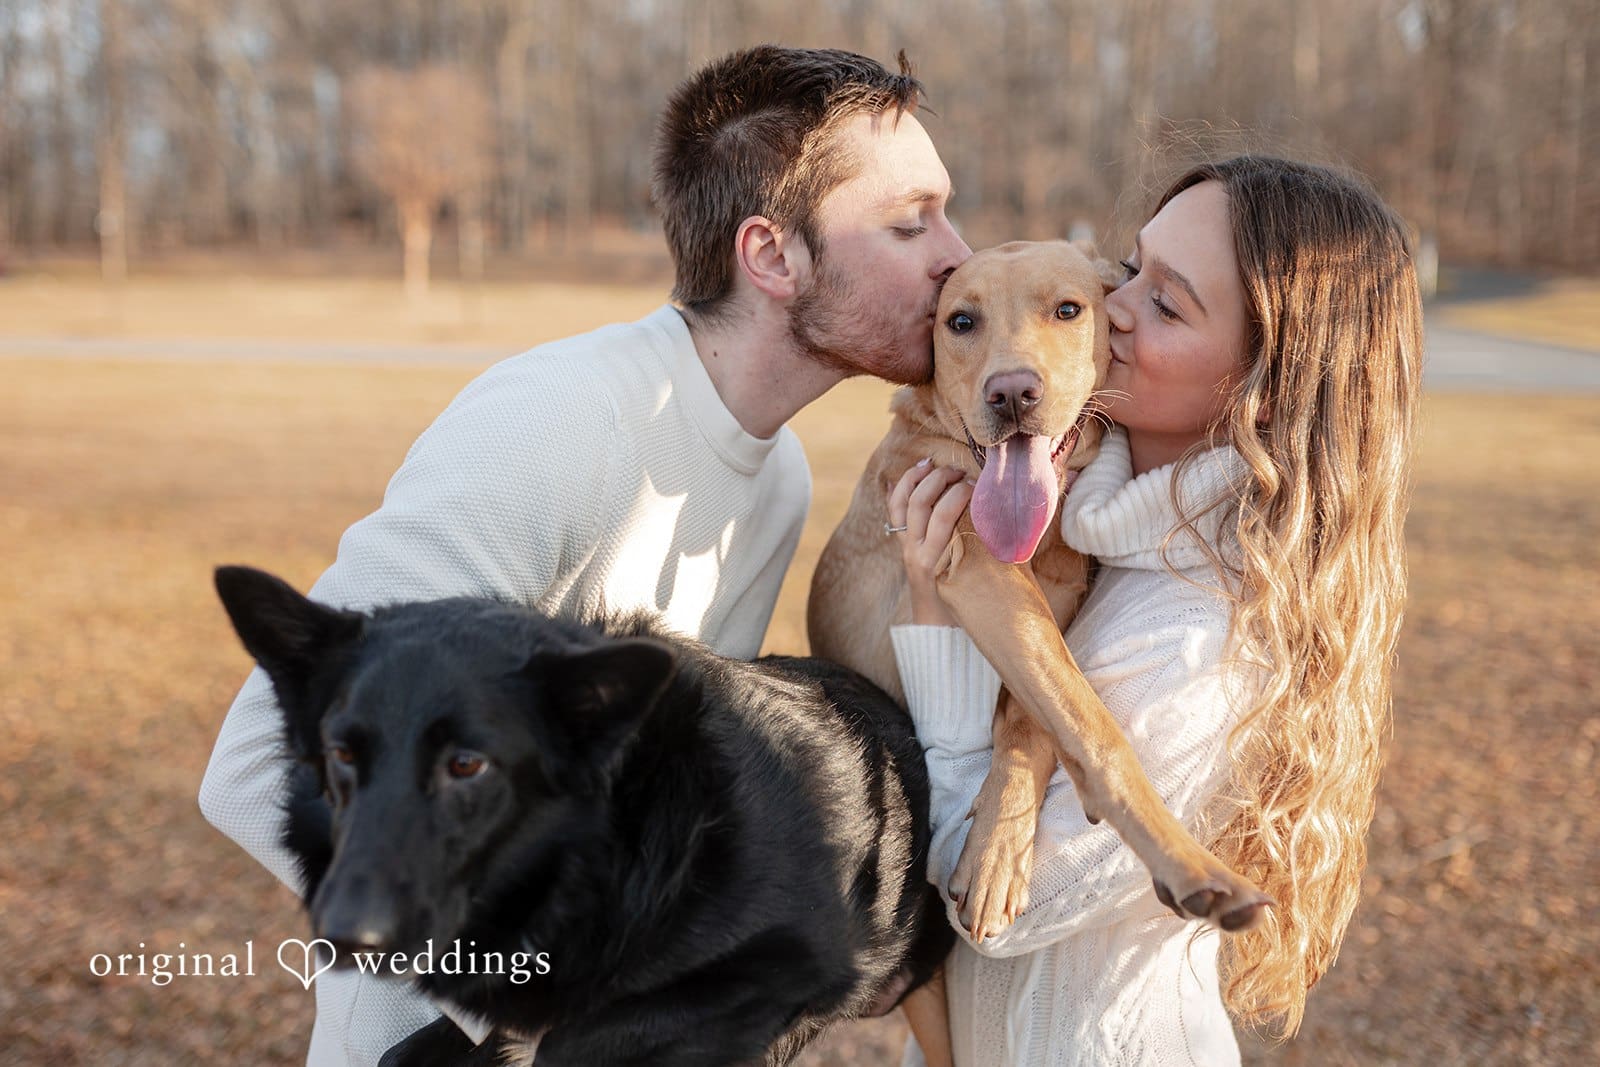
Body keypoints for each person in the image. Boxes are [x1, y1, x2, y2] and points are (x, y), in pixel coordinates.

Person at [198, 45, 970, 1067]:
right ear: (772, 256)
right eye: (910, 222)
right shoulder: (557, 422)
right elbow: (256, 761)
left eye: (945, 213)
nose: (955, 252)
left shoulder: (776, 472)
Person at [886, 155, 1423, 1065]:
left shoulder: (1193, 633)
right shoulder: (1097, 521)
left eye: (1167, 304)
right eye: (1131, 269)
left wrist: (932, 624)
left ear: (1266, 381)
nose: (1113, 306)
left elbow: (1008, 917)